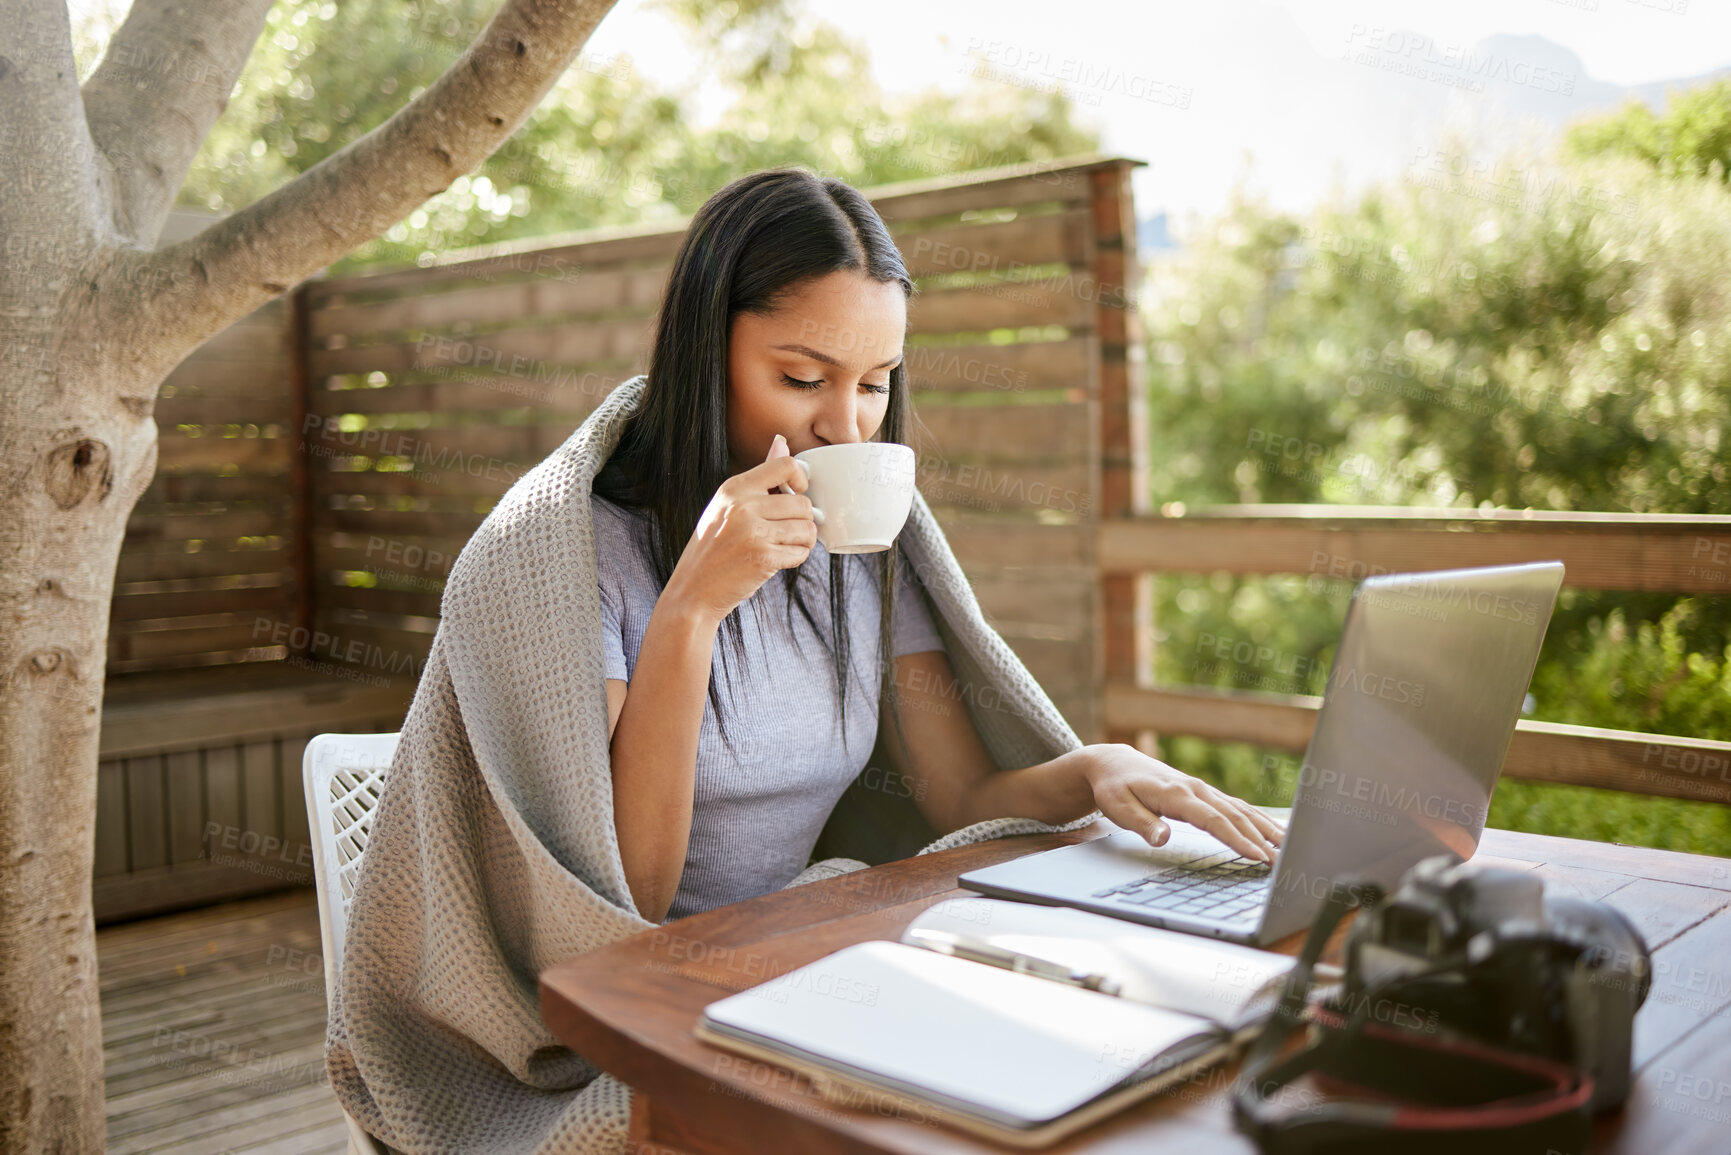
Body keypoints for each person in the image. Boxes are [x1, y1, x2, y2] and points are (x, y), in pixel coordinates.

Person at [588, 167, 1283, 924]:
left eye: (874, 383)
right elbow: (629, 897)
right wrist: (691, 607)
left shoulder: (856, 545)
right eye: (802, 377)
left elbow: (960, 800)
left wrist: (1097, 767)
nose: (847, 428)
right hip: (652, 983)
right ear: (705, 351)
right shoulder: (590, 551)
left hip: (804, 937)